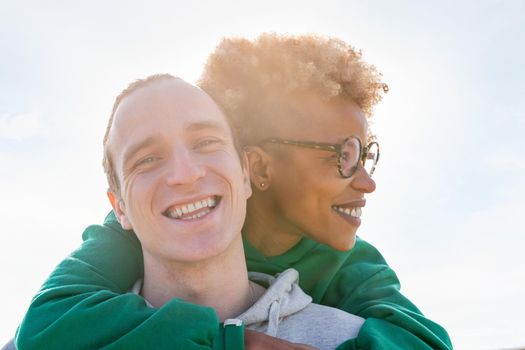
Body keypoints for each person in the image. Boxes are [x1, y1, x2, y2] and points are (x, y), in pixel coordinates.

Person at [16, 34, 452, 350]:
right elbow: (46, 320)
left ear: (245, 171)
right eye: (343, 154)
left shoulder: (348, 272)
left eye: (207, 143)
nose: (185, 174)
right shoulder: (115, 247)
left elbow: (423, 340)